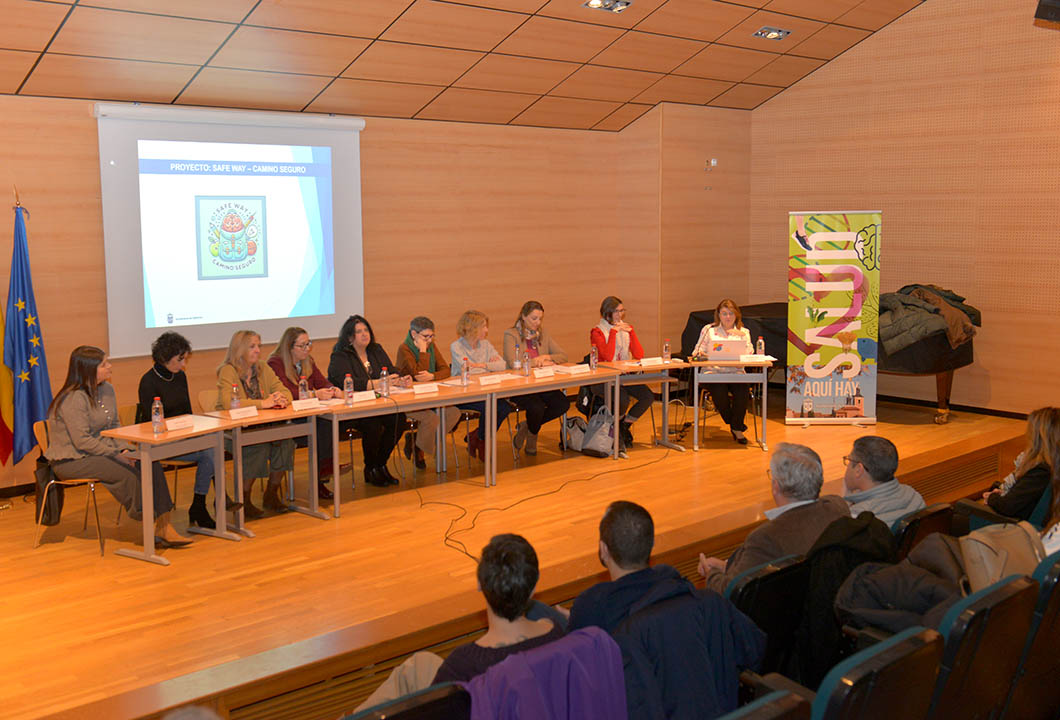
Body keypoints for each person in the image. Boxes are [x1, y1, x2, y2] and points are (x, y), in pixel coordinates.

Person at [565, 501, 765, 719]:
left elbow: (578, 690)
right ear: (651, 545)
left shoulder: (592, 612)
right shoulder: (706, 600)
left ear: (603, 550)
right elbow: (756, 649)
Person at [45, 345, 190, 548]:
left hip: (102, 451)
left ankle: (164, 525)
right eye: (104, 364)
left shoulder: (107, 390)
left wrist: (124, 449)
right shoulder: (73, 398)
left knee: (149, 461)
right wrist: (117, 454)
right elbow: (82, 441)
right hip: (72, 459)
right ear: (88, 370)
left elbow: (114, 426)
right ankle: (149, 521)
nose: (110, 367)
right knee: (126, 473)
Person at [698, 442, 849, 593]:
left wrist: (711, 573)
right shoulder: (837, 507)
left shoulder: (766, 538)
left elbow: (732, 593)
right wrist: (726, 566)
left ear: (775, 486)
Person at [433, 534, 565, 684]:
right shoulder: (557, 632)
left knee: (421, 662)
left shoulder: (461, 665)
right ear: (534, 586)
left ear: (479, 583)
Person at [138, 331, 237, 529]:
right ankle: (203, 504)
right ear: (165, 358)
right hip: (160, 442)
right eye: (180, 359)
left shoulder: (180, 376)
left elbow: (187, 412)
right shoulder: (148, 381)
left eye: (184, 359)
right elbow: (151, 421)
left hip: (183, 436)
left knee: (212, 445)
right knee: (211, 451)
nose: (183, 364)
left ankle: (200, 505)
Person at [566, 500, 687, 633]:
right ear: (652, 543)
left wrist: (575, 620)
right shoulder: (670, 576)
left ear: (604, 549)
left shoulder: (592, 604)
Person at [215, 330, 295, 518]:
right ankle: (244, 499)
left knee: (286, 442)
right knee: (258, 446)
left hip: (263, 425)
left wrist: (281, 398)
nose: (258, 350)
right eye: (252, 346)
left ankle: (271, 494)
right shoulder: (228, 370)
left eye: (259, 346)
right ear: (240, 349)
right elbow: (228, 403)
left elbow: (286, 392)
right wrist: (263, 403)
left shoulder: (263, 368)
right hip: (233, 430)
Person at [327, 315, 409, 487]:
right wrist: (378, 383)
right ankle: (370, 468)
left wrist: (400, 378)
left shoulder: (376, 350)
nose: (364, 334)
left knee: (399, 419)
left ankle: (380, 463)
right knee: (373, 424)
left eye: (366, 330)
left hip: (377, 404)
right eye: (359, 331)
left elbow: (390, 370)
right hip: (353, 408)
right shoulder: (340, 355)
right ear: (350, 337)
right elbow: (345, 381)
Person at [267, 326, 341, 499]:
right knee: (323, 425)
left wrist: (332, 389)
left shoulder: (308, 361)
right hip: (287, 420)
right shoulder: (275, 363)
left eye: (308, 344)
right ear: (289, 347)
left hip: (308, 416)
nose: (307, 349)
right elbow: (287, 393)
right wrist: (315, 394)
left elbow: (322, 382)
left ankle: (322, 474)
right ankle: (322, 473)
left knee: (327, 421)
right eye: (302, 345)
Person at [502, 301, 570, 456]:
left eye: (540, 319)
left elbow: (563, 356)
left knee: (562, 404)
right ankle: (533, 436)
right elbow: (513, 363)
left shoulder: (542, 334)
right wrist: (536, 361)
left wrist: (546, 357)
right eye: (534, 318)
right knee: (536, 407)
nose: (538, 322)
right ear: (523, 316)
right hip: (520, 386)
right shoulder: (511, 334)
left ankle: (527, 426)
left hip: (542, 383)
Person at [394, 316, 460, 470]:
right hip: (410, 400)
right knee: (431, 418)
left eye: (432, 336)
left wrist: (433, 376)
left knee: (453, 413)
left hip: (430, 397)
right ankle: (420, 450)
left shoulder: (432, 346)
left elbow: (446, 370)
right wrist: (423, 351)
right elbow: (418, 375)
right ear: (414, 334)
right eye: (425, 337)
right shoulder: (404, 349)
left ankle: (417, 441)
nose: (429, 340)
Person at [449, 310, 514, 461]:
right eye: (483, 326)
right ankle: (482, 441)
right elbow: (468, 370)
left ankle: (479, 437)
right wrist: (488, 366)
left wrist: (481, 365)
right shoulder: (456, 346)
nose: (486, 330)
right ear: (472, 328)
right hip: (464, 394)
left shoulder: (486, 345)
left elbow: (502, 365)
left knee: (504, 407)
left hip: (484, 391)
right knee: (490, 407)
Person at [590, 295, 653, 449]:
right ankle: (615, 429)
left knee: (647, 396)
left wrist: (631, 333)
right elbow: (608, 356)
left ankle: (623, 425)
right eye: (616, 311)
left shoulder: (624, 329)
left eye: (622, 311)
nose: (620, 315)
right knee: (622, 399)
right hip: (604, 378)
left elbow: (639, 354)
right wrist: (613, 333)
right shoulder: (597, 332)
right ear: (607, 313)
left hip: (624, 376)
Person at [692, 298, 754, 444]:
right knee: (719, 390)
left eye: (731, 313)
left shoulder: (744, 332)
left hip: (736, 373)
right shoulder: (709, 330)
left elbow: (750, 353)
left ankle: (736, 427)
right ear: (718, 315)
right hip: (713, 373)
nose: (728, 317)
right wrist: (702, 354)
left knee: (743, 390)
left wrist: (742, 342)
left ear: (736, 315)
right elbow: (696, 351)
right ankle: (736, 426)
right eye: (724, 313)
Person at [980, 407, 1059, 521]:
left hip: (1015, 526)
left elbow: (1007, 506)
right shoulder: (1053, 465)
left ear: (1038, 437)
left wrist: (992, 497)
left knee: (961, 511)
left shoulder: (1041, 471)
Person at [842, 435, 925, 525]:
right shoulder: (914, 496)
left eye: (849, 460)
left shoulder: (857, 517)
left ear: (858, 470)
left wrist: (843, 505)